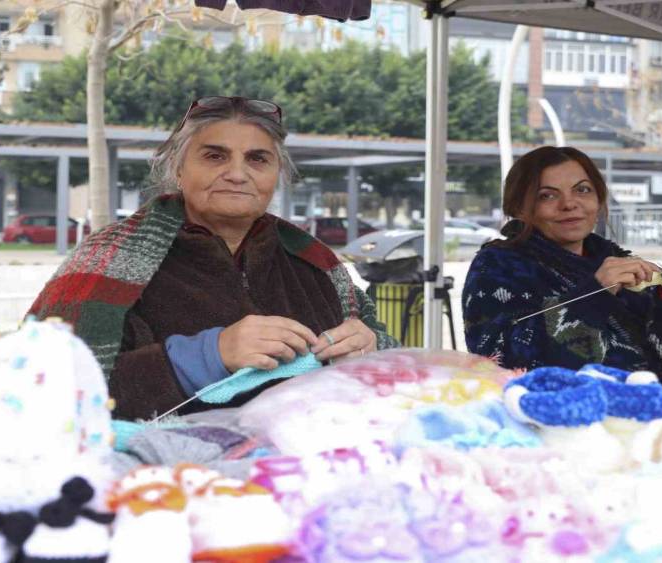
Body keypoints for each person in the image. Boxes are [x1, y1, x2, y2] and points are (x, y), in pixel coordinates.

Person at [29, 96, 397, 419]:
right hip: (159, 473)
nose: (237, 174)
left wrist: (371, 350)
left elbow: (396, 367)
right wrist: (206, 356)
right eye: (214, 156)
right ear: (178, 168)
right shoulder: (108, 261)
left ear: (277, 175)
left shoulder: (315, 263)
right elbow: (41, 388)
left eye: (257, 159)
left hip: (314, 466)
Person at [462, 146, 662, 387]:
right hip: (543, 416)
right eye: (547, 195)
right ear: (519, 207)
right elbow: (500, 363)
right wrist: (595, 295)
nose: (569, 204)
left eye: (582, 190)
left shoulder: (618, 263)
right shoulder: (498, 266)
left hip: (639, 410)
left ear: (598, 199)